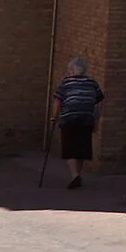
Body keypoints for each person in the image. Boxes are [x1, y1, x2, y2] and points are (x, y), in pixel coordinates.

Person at [51, 57, 106, 189]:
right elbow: (99, 101)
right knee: (81, 149)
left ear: (71, 70)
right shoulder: (92, 82)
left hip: (69, 118)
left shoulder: (66, 83)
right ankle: (77, 175)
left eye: (68, 70)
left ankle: (75, 175)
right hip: (87, 118)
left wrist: (54, 117)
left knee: (69, 148)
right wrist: (96, 119)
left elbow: (58, 100)